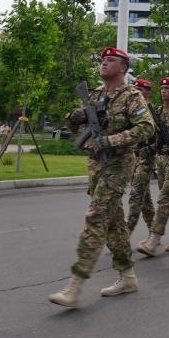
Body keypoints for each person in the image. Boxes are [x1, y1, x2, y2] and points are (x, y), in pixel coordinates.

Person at [49, 47, 156, 308]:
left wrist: (110, 140)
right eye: (103, 60)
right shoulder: (95, 95)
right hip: (96, 166)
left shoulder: (131, 96)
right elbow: (77, 127)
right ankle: (128, 277)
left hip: (118, 165)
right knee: (114, 223)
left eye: (111, 60)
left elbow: (146, 127)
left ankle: (74, 286)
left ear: (123, 68)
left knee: (95, 217)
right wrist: (74, 118)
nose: (105, 63)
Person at [137, 77, 169, 256]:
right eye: (162, 88)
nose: (164, 91)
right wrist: (149, 149)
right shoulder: (156, 111)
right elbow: (155, 139)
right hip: (160, 159)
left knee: (165, 196)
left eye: (168, 88)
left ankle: (155, 237)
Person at [126, 79, 157, 235]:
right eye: (135, 88)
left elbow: (159, 138)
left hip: (146, 158)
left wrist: (150, 149)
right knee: (145, 198)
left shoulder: (151, 110)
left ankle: (125, 233)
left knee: (136, 194)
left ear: (148, 92)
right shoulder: (132, 109)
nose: (136, 91)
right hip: (133, 157)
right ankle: (154, 231)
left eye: (140, 89)